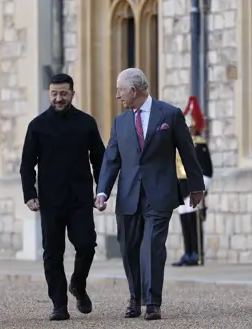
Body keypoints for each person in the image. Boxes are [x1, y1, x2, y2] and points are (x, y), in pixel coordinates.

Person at [95, 68, 205, 320]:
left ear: (134, 91)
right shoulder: (119, 122)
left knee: (152, 246)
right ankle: (135, 297)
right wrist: (102, 191)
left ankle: (152, 302)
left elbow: (188, 152)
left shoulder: (170, 114)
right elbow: (111, 160)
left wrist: (196, 187)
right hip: (128, 196)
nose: (117, 95)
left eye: (120, 90)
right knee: (129, 248)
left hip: (160, 194)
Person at [19, 73, 106, 321]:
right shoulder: (37, 125)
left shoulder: (87, 123)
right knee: (52, 253)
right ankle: (59, 304)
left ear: (72, 94)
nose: (58, 98)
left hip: (80, 199)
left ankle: (78, 284)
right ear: (49, 93)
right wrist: (29, 195)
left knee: (87, 245)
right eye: (54, 93)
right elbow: (27, 165)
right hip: (50, 200)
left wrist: (102, 191)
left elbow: (100, 160)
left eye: (63, 93)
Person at [172, 97, 213, 267]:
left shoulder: (199, 145)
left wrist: (200, 189)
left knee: (194, 221)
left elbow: (207, 170)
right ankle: (188, 252)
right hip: (182, 186)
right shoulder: (180, 144)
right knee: (185, 221)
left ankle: (197, 253)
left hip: (193, 185)